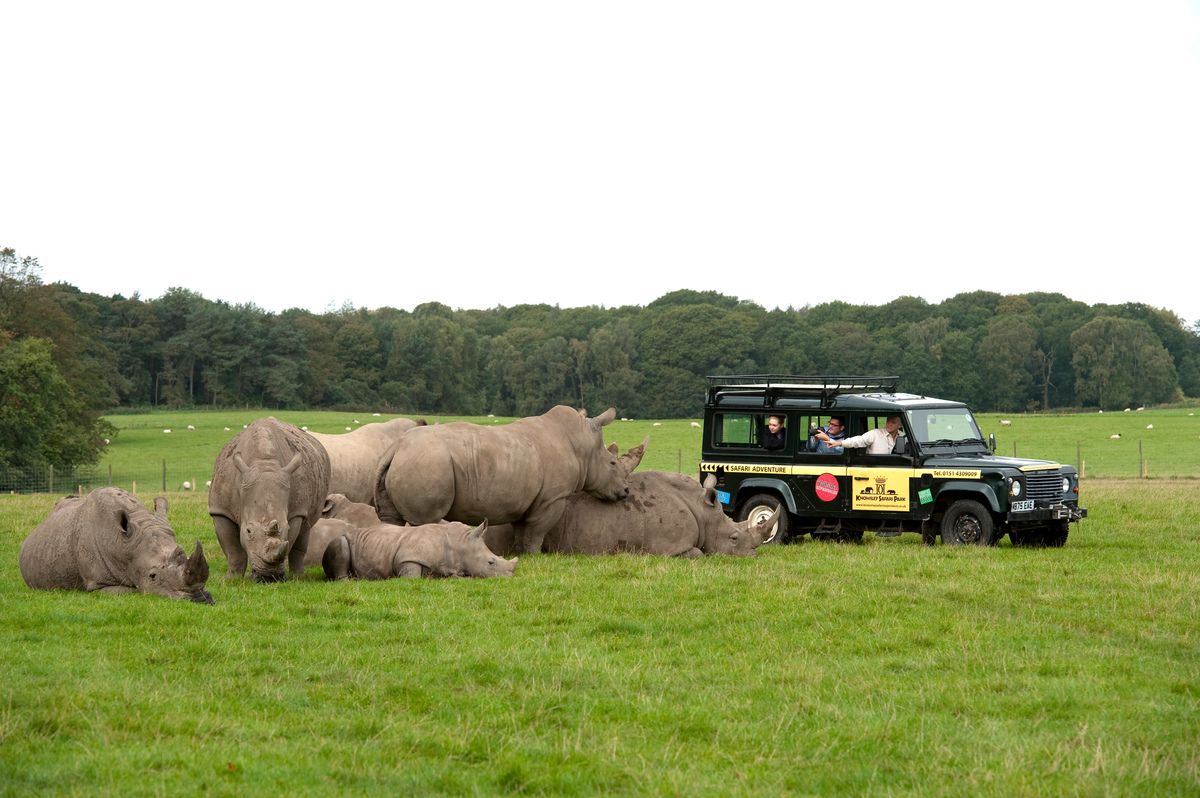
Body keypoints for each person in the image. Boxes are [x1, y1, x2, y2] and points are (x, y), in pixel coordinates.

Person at [818, 415, 902, 454]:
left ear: (900, 425)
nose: (889, 424)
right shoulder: (875, 433)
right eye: (888, 421)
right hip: (875, 469)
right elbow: (859, 440)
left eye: (893, 422)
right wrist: (840, 443)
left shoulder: (903, 437)